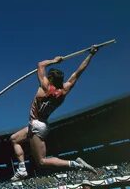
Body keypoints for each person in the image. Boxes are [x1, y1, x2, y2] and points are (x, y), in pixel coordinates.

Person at [10, 46, 99, 181]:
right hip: (41, 124)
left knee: (42, 161)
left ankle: (75, 164)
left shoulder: (45, 86)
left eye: (48, 76)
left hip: (36, 125)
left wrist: (54, 60)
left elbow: (40, 64)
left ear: (50, 78)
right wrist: (90, 55)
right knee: (14, 139)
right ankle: (22, 169)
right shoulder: (63, 91)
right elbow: (78, 73)